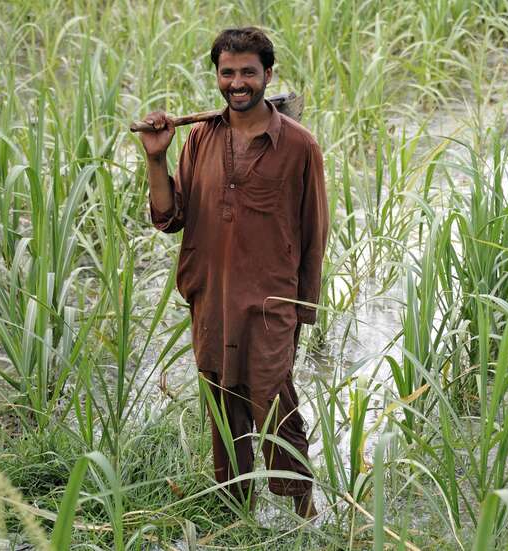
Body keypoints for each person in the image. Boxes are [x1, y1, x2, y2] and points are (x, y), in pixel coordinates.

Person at [138, 27, 327, 518]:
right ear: (217, 76)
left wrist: (302, 312)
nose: (237, 83)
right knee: (223, 409)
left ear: (268, 74)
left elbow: (313, 232)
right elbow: (168, 218)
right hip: (211, 302)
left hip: (269, 306)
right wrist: (156, 158)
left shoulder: (298, 146)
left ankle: (303, 516)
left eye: (248, 72)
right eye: (228, 73)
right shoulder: (200, 138)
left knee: (274, 405)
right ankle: (236, 516)